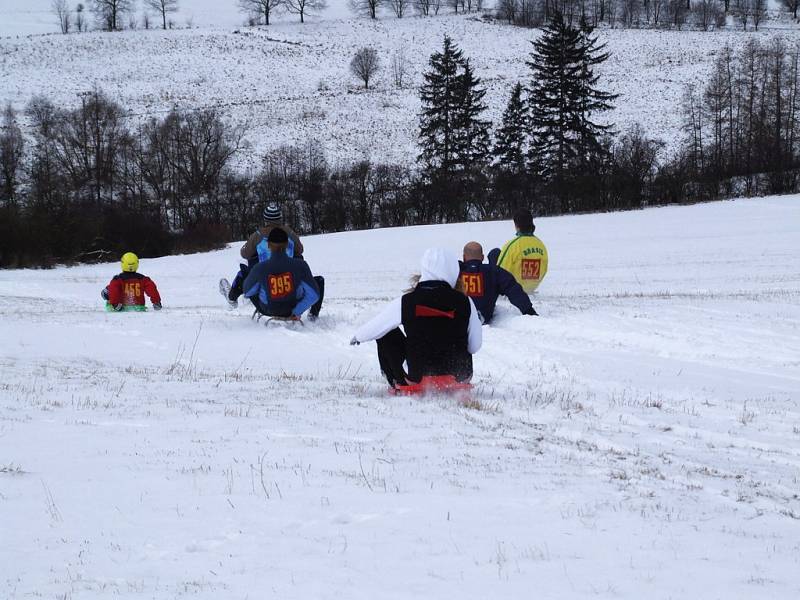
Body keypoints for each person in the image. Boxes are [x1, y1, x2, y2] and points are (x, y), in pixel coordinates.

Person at [350, 247, 482, 391]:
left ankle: (396, 383)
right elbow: (474, 346)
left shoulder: (406, 301)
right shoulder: (466, 302)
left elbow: (377, 327)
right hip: (459, 375)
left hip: (417, 376)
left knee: (385, 331)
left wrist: (359, 336)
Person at [221, 203, 324, 313]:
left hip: (267, 296)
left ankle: (232, 297)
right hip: (292, 288)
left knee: (244, 273)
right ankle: (313, 315)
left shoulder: (258, 235)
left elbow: (245, 254)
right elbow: (300, 250)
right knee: (316, 281)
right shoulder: (289, 233)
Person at [242, 228, 322, 320]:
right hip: (292, 308)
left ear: (268, 245)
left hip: (267, 309)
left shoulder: (259, 268)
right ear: (288, 244)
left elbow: (247, 292)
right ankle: (312, 316)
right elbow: (314, 295)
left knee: (254, 285)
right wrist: (296, 311)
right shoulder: (300, 265)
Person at [459, 241, 537, 323]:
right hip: (483, 317)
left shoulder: (455, 271)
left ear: (464, 257)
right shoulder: (495, 272)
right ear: (482, 257)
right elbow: (514, 290)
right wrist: (529, 311)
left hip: (458, 317)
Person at [490, 208, 548, 294]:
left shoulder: (513, 245)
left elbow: (501, 270)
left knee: (494, 253)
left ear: (517, 225)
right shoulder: (541, 245)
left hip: (512, 287)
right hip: (531, 286)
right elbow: (544, 268)